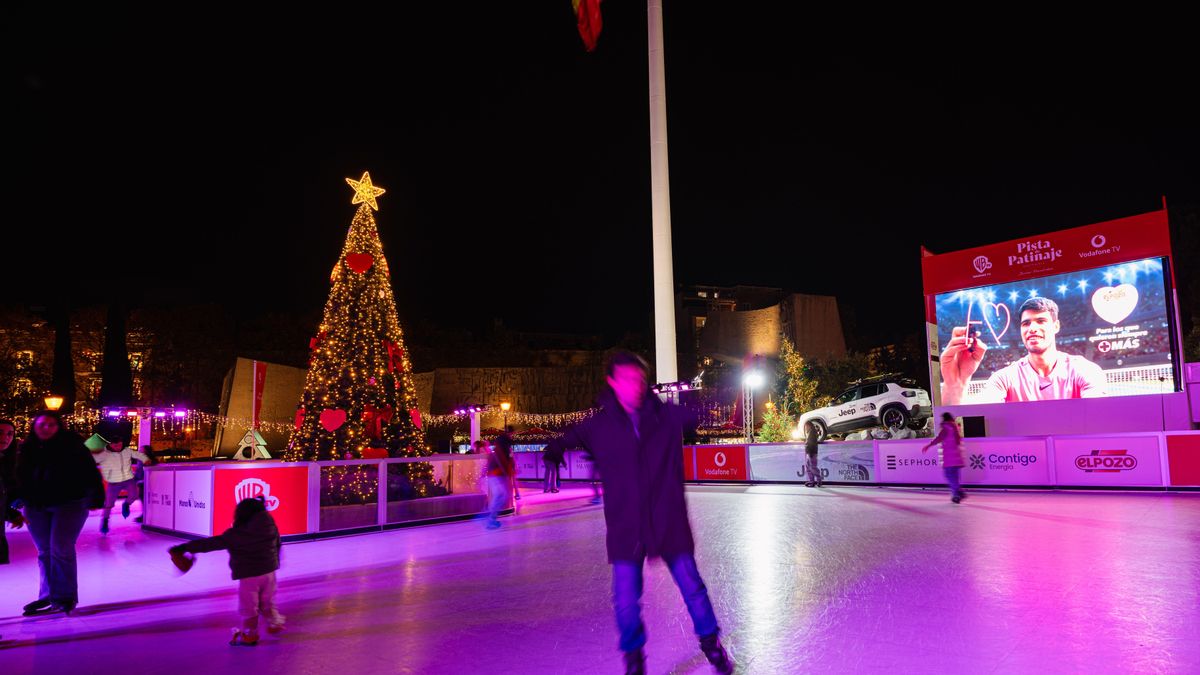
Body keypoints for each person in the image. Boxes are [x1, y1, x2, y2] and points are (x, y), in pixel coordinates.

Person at [559, 351, 733, 675]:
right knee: (625, 600)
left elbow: (700, 413)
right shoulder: (599, 425)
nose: (635, 386)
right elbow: (571, 436)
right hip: (627, 527)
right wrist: (554, 450)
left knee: (692, 587)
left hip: (669, 522)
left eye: (639, 379)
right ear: (612, 382)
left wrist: (716, 397)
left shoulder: (664, 416)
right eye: (627, 379)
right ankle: (634, 659)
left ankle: (711, 644)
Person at [15, 410, 105, 616]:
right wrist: (18, 497)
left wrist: (95, 496)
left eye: (51, 424)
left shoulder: (72, 445)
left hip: (70, 502)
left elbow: (89, 471)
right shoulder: (27, 448)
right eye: (42, 424)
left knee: (60, 548)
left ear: (58, 427)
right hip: (36, 505)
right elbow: (19, 476)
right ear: (34, 426)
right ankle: (48, 595)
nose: (46, 428)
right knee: (44, 551)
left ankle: (65, 597)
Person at [939, 297, 1106, 405]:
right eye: (1026, 323)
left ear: (1056, 326)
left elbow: (1098, 420)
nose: (1032, 328)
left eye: (1041, 321)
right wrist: (956, 383)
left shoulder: (1085, 370)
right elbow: (975, 424)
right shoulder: (1003, 379)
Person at [169, 496, 284, 646]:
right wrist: (275, 561)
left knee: (249, 606)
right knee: (268, 601)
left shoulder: (237, 534)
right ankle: (275, 622)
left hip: (249, 575)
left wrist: (185, 547)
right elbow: (278, 545)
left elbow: (211, 544)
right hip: (269, 571)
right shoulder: (270, 525)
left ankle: (250, 634)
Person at [92, 432, 150, 534]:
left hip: (128, 479)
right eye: (115, 445)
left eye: (119, 445)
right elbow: (93, 458)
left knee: (134, 495)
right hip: (114, 482)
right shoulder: (105, 453)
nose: (118, 447)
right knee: (109, 504)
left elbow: (138, 455)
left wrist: (146, 460)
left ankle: (126, 504)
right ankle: (105, 521)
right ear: (111, 445)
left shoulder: (127, 451)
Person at [923, 413, 967, 503]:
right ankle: (958, 493)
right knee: (955, 477)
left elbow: (939, 438)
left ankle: (957, 494)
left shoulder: (946, 428)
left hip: (949, 458)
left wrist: (928, 445)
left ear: (944, 418)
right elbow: (958, 442)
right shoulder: (955, 428)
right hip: (957, 458)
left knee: (949, 476)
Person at [1, 419, 26, 566]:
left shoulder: (7, 462)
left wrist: (10, 514)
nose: (5, 437)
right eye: (1, 433)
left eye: (10, 434)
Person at [484, 434, 515, 529]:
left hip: (498, 476)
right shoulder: (498, 451)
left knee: (503, 495)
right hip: (495, 476)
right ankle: (491, 518)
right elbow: (503, 463)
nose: (510, 446)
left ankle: (491, 516)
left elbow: (508, 462)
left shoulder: (502, 451)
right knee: (500, 495)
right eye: (508, 444)